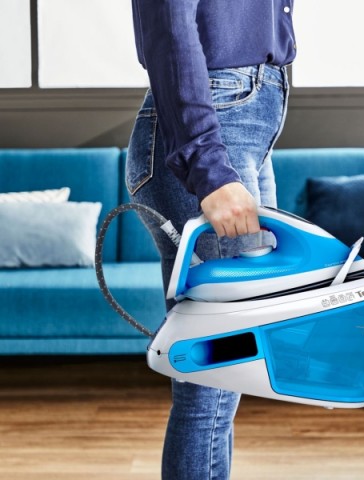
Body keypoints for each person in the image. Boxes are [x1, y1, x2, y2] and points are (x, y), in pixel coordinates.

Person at [126, 1, 296, 478]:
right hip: (213, 131)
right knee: (211, 386)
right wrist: (209, 169)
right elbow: (168, 26)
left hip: (244, 129)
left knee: (223, 381)